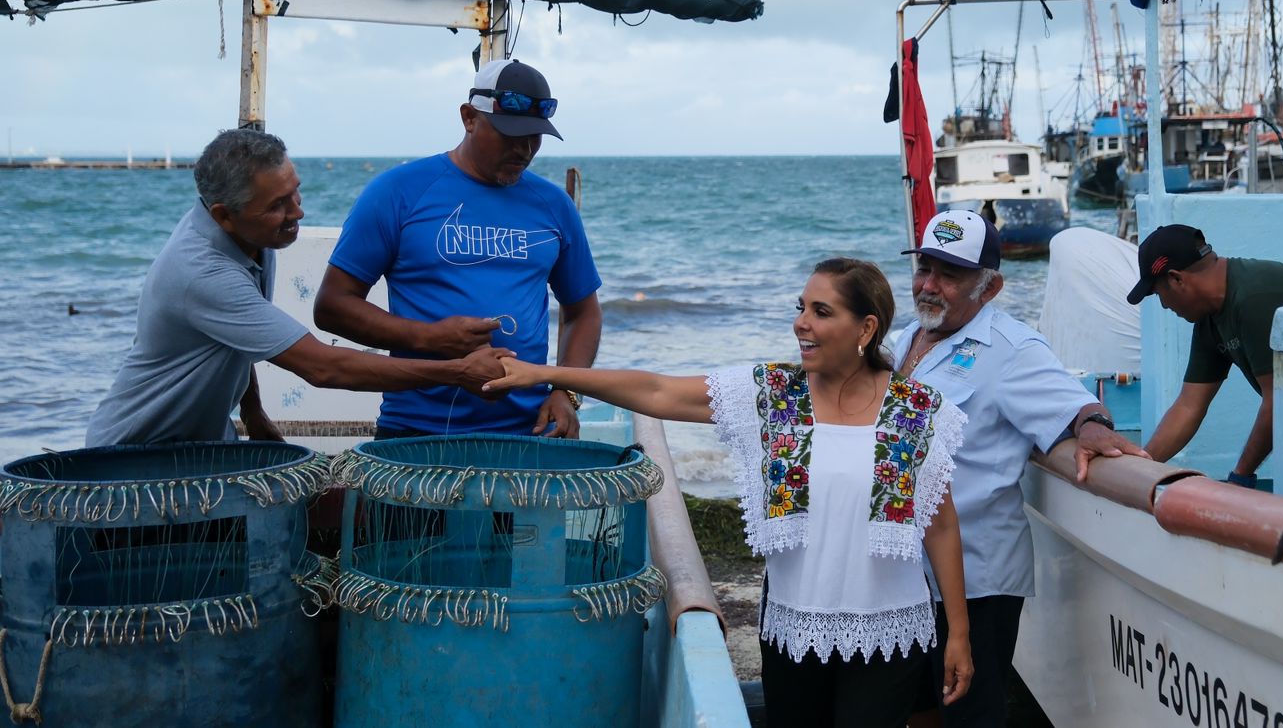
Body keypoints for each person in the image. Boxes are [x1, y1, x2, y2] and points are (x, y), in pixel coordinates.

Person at [487, 258, 973, 728]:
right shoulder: (773, 395)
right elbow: (658, 391)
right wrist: (546, 374)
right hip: (794, 626)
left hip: (889, 632)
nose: (801, 324)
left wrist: (959, 634)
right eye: (800, 307)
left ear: (866, 329)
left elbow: (941, 523)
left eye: (821, 312)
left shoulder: (916, 412)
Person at [85, 129, 511, 447]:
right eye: (277, 206)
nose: (298, 212)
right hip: (131, 452)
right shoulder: (203, 272)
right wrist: (457, 372)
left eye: (295, 193)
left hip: (200, 445)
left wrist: (253, 412)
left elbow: (237, 337)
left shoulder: (254, 237)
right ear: (223, 215)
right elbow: (324, 367)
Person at [896, 209, 1148, 728]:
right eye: (924, 268)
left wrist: (1094, 425)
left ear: (989, 289)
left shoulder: (1012, 351)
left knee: (971, 714)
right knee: (918, 708)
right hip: (908, 573)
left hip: (977, 578)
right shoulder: (906, 339)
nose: (930, 285)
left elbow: (1078, 404)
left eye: (950, 275)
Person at [314, 59, 602, 439]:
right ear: (469, 117)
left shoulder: (553, 205)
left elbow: (583, 313)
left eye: (534, 136)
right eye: (508, 134)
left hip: (527, 433)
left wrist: (565, 390)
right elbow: (333, 307)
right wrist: (428, 337)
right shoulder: (397, 193)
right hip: (416, 431)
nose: (523, 149)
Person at [1127, 223, 1283, 486]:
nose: (1165, 305)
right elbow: (1189, 405)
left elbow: (1279, 401)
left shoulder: (1253, 297)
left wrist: (1241, 477)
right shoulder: (1209, 317)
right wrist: (1142, 464)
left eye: (1159, 294)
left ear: (1177, 279)